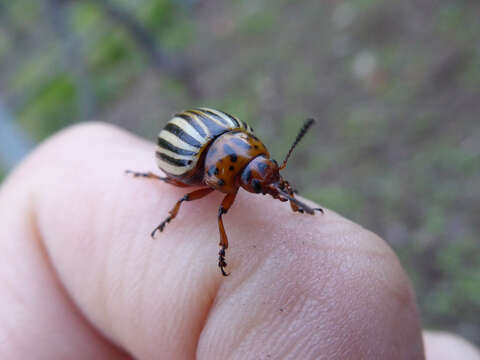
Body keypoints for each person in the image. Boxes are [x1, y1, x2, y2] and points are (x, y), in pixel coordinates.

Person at [0, 123, 478, 359]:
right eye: (260, 182)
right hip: (192, 149)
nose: (269, 186)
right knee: (189, 201)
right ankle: (168, 199)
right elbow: (200, 193)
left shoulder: (246, 159)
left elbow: (263, 177)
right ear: (228, 177)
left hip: (223, 139)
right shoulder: (209, 181)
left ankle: (294, 205)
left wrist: (283, 193)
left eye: (268, 178)